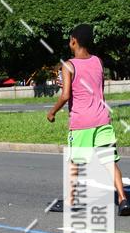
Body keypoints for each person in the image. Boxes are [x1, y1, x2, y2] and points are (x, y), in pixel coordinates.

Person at [47, 24, 129, 216]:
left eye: (70, 39)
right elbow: (96, 88)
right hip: (102, 119)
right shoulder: (98, 62)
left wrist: (52, 112)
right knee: (109, 161)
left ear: (74, 41)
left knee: (75, 162)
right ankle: (123, 199)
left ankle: (70, 201)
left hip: (81, 123)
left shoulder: (68, 65)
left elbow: (66, 95)